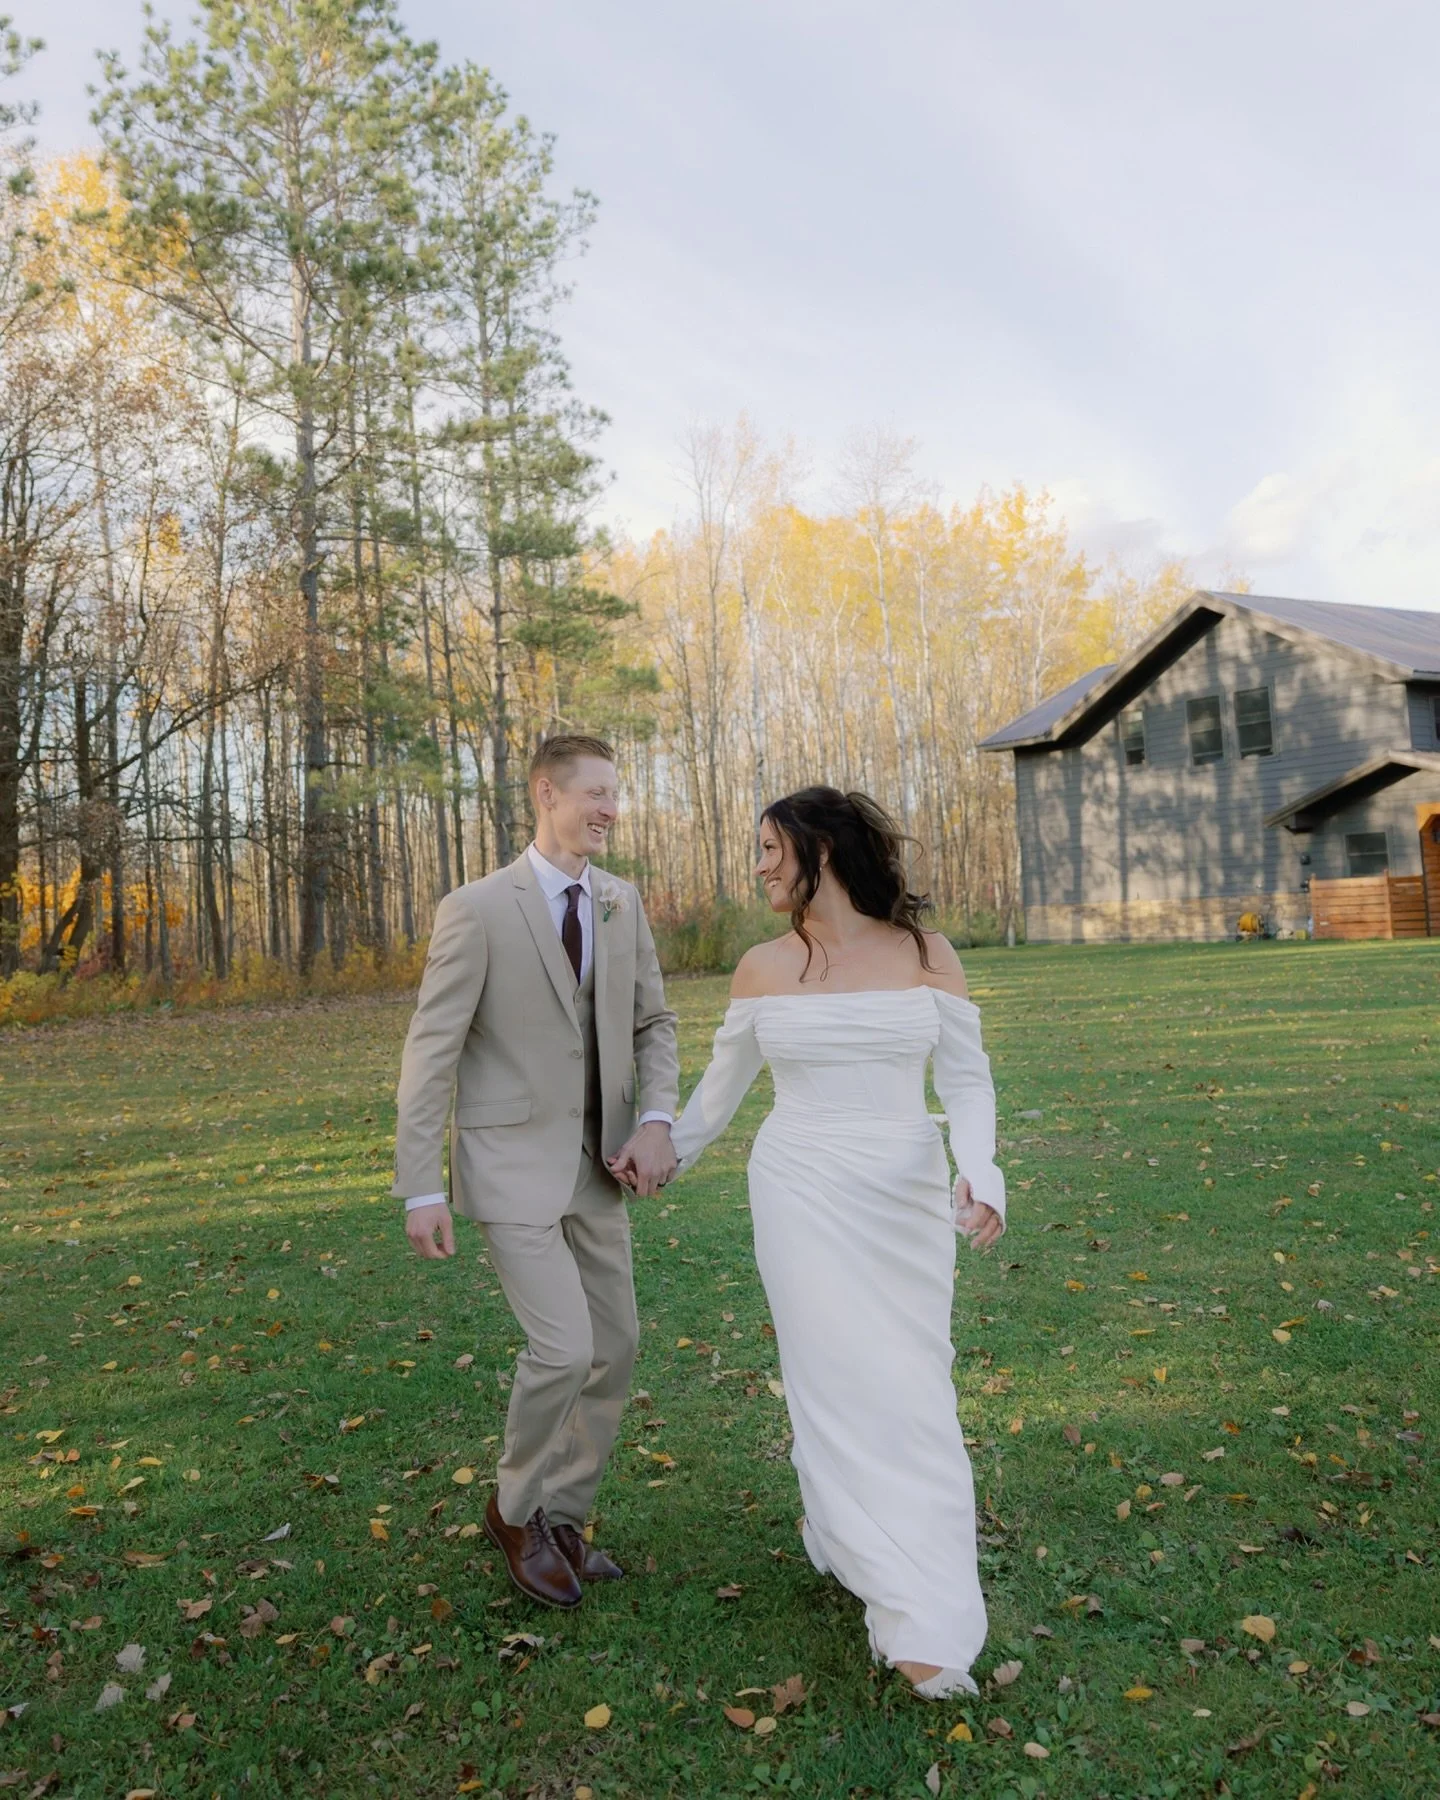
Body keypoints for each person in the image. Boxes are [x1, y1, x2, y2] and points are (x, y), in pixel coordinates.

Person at [652, 786, 1005, 1698]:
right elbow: (717, 1096)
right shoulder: (760, 969)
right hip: (800, 1188)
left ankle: (859, 1534)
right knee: (832, 1379)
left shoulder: (929, 954)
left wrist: (983, 1171)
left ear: (824, 850)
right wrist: (658, 1158)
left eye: (772, 848)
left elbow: (966, 1082)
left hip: (906, 1192)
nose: (761, 865)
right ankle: (903, 1606)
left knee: (911, 1383)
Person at [392, 734, 679, 1610]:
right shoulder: (477, 909)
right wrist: (422, 1184)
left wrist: (659, 1119)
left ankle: (565, 1515)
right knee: (564, 1348)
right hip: (510, 1162)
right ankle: (514, 1510)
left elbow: (652, 1025)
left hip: (603, 1168)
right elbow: (431, 1049)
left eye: (616, 796)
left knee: (617, 1347)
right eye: (595, 793)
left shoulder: (622, 903)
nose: (610, 810)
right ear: (546, 793)